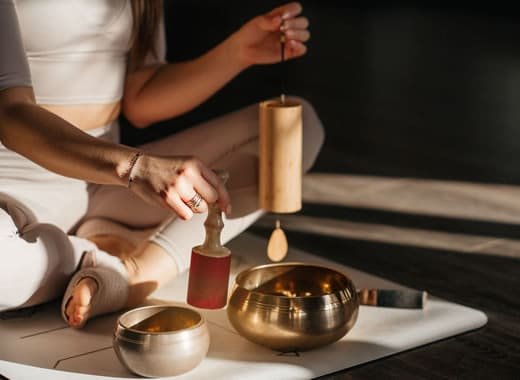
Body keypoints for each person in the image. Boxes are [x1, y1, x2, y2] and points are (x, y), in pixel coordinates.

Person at [0, 0, 324, 328]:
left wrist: (237, 52)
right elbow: (10, 115)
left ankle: (133, 275)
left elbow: (141, 98)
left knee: (294, 130)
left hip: (104, 188)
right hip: (12, 194)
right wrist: (136, 169)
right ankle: (99, 252)